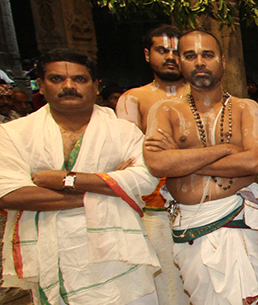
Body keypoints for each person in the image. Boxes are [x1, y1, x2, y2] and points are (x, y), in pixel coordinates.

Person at [0, 48, 160, 304]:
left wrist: (66, 180)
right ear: (40, 85)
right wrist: (108, 188)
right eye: (56, 79)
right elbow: (9, 194)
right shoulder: (13, 134)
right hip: (51, 254)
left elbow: (144, 180)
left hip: (116, 258)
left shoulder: (123, 132)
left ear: (96, 86)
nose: (69, 86)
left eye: (79, 79)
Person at [144, 30, 258, 305]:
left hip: (235, 221)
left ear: (223, 62)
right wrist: (226, 150)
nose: (200, 62)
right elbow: (157, 163)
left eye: (208, 55)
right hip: (189, 224)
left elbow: (253, 162)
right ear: (180, 62)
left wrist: (183, 160)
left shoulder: (245, 108)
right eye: (190, 56)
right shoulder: (165, 111)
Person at [115, 25, 191, 305]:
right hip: (155, 207)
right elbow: (127, 159)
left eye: (177, 52)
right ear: (148, 55)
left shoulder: (204, 98)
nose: (171, 57)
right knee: (167, 282)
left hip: (201, 202)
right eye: (163, 50)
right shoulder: (133, 99)